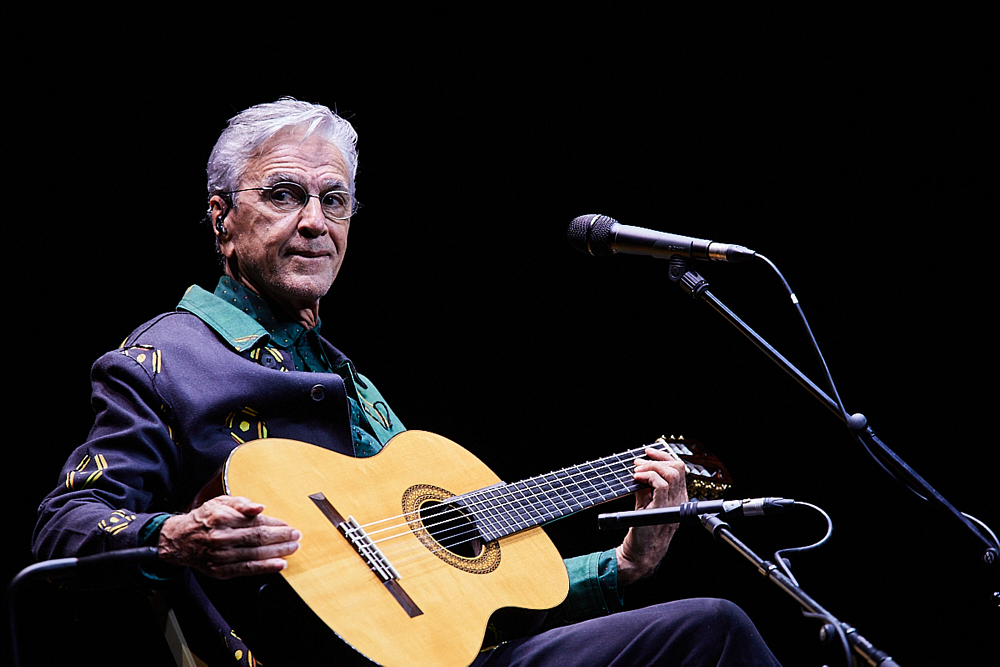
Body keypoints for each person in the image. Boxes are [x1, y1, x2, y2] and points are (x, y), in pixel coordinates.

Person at [33, 98, 780, 666]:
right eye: (285, 195)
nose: (314, 222)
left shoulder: (351, 382)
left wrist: (622, 566)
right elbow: (64, 522)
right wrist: (176, 534)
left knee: (709, 626)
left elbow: (461, 590)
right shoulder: (164, 355)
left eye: (335, 200)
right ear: (222, 219)